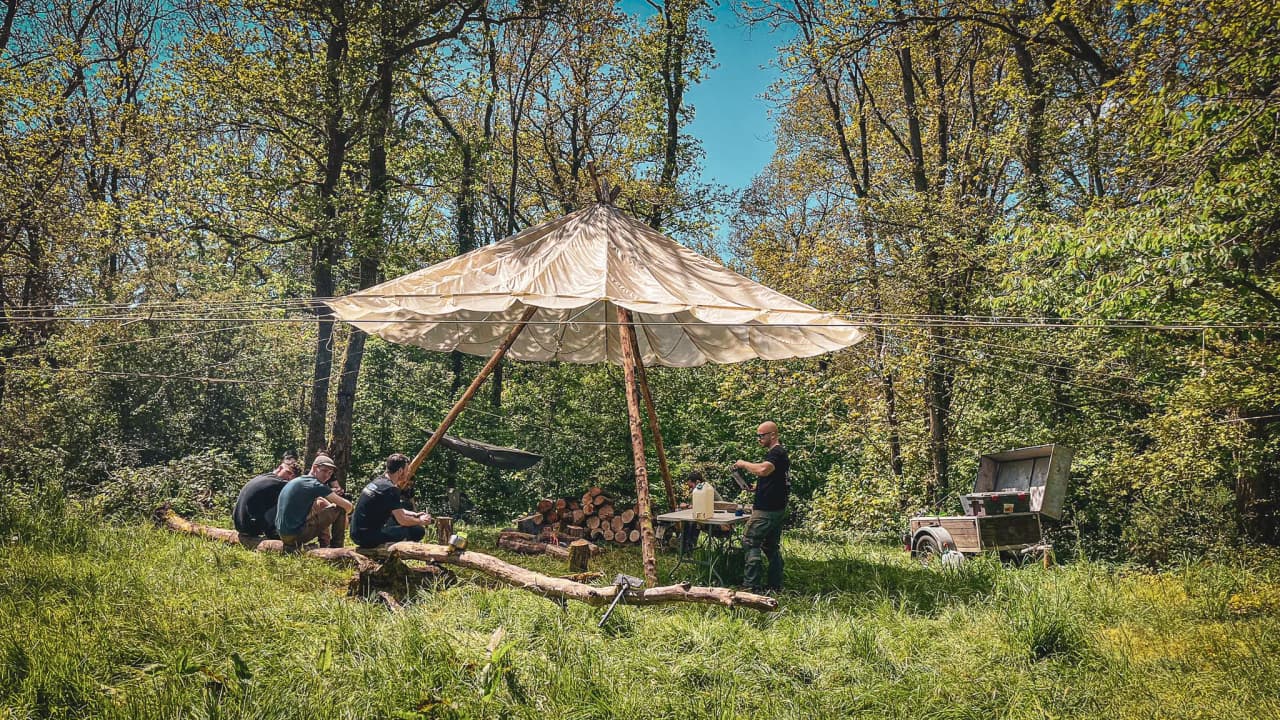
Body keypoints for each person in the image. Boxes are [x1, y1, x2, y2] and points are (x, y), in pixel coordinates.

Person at [733, 421, 790, 592]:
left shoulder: (776, 452)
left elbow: (764, 470)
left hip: (767, 510)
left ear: (773, 435)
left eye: (761, 435)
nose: (759, 439)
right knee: (770, 546)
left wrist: (743, 464)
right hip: (777, 508)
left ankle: (751, 586)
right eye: (757, 435)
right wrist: (757, 487)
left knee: (750, 542)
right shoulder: (778, 454)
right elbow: (777, 479)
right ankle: (775, 584)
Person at [350, 453, 434, 548]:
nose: (408, 474)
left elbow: (393, 509)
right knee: (417, 531)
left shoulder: (379, 482)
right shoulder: (390, 489)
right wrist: (420, 521)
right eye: (407, 470)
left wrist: (413, 514)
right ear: (400, 471)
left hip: (356, 533)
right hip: (367, 537)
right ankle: (389, 552)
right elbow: (403, 520)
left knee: (398, 524)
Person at [275, 454, 354, 550]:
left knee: (320, 505)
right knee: (339, 509)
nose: (327, 476)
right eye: (324, 471)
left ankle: (325, 544)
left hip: (283, 534)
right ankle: (336, 548)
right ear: (315, 467)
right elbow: (348, 507)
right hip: (295, 535)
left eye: (330, 473)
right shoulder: (315, 485)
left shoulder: (300, 480)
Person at [232, 457, 301, 538]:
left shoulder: (264, 477)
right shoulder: (278, 483)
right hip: (250, 527)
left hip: (239, 525)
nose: (290, 478)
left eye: (292, 476)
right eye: (288, 473)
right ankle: (275, 533)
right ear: (280, 468)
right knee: (287, 499)